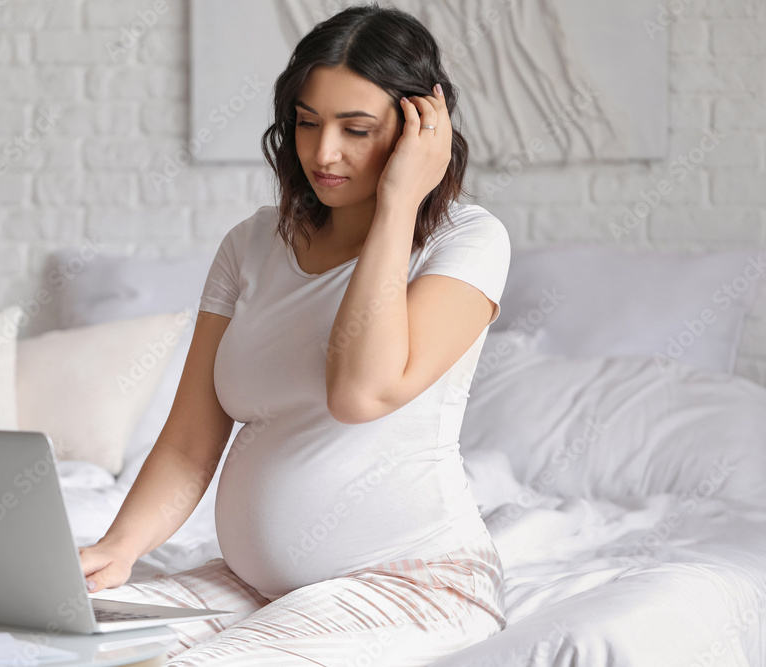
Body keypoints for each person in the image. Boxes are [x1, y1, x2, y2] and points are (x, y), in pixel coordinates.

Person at [78, 3, 511, 664]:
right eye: (307, 123)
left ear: (419, 128)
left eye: (356, 129)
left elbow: (360, 392)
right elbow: (193, 438)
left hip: (411, 583)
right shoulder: (252, 243)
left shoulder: (468, 241)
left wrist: (398, 204)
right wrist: (119, 547)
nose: (323, 153)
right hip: (254, 586)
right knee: (63, 638)